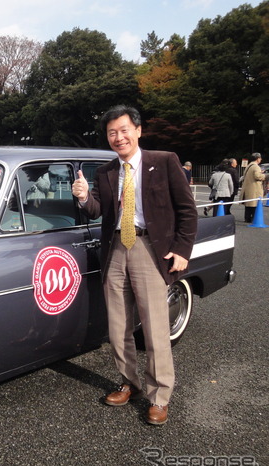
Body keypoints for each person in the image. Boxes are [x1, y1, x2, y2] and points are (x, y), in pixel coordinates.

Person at [71, 105, 197, 426]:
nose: (118, 137)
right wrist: (85, 197)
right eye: (112, 132)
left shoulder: (164, 162)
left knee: (155, 328)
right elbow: (98, 211)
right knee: (118, 326)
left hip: (149, 249)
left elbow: (187, 210)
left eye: (124, 130)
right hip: (115, 249)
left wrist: (182, 250)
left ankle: (159, 395)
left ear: (138, 130)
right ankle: (130, 383)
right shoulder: (106, 171)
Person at [240, 152, 264, 222]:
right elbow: (257, 176)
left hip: (248, 188)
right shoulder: (256, 166)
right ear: (257, 159)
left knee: (248, 204)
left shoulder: (249, 165)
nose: (261, 159)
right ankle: (253, 219)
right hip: (254, 188)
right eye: (260, 158)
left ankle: (247, 218)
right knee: (254, 205)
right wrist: (265, 176)